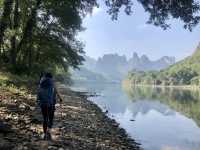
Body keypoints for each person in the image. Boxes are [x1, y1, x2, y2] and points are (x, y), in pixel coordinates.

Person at [37, 72, 62, 140]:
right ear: (51, 77)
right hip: (51, 103)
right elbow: (56, 91)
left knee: (45, 118)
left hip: (43, 103)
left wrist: (38, 101)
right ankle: (49, 130)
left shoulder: (41, 83)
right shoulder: (52, 83)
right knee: (50, 116)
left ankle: (44, 133)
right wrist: (60, 98)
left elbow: (38, 92)